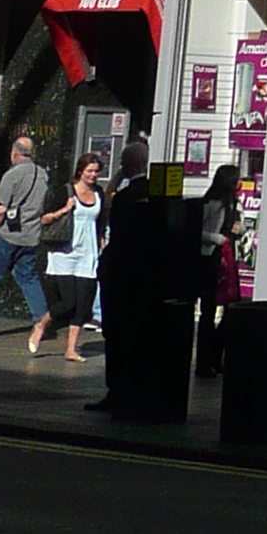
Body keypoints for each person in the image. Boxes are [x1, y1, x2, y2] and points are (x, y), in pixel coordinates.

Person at [87, 143, 155, 417]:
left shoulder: (125, 197)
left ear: (127, 165)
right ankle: (138, 390)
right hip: (146, 279)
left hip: (121, 276)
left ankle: (116, 391)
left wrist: (115, 182)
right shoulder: (155, 193)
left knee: (116, 337)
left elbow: (115, 229)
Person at [0, 131, 50, 339]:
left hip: (7, 236)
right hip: (30, 236)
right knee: (29, 278)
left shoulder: (11, 175)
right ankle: (41, 317)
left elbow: (0, 210)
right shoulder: (42, 174)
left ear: (15, 153)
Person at [33, 154, 105, 365]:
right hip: (65, 253)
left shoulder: (99, 193)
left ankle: (71, 349)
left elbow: (100, 223)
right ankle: (42, 324)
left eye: (96, 171)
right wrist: (63, 210)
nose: (93, 175)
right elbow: (44, 219)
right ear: (80, 171)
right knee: (69, 302)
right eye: (90, 170)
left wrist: (102, 244)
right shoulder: (65, 191)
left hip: (88, 253)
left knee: (82, 306)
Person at [194, 163, 242, 379]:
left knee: (232, 306)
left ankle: (216, 355)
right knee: (208, 311)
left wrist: (239, 231)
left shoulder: (233, 203)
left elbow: (235, 227)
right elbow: (197, 230)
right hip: (211, 259)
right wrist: (218, 238)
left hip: (228, 258)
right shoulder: (213, 202)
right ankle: (205, 361)